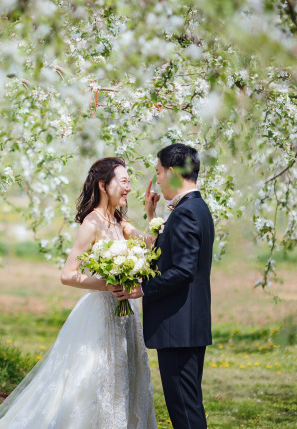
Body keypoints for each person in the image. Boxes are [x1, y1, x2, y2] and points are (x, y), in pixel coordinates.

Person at [0, 157, 156, 429]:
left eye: (129, 182)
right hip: (102, 313)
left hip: (126, 314)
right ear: (103, 185)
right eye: (123, 181)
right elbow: (67, 274)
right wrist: (106, 285)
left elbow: (154, 244)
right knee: (97, 378)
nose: (128, 188)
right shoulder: (91, 224)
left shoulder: (120, 221)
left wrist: (151, 214)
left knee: (126, 374)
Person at [111, 143, 213, 429]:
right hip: (188, 327)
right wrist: (152, 215)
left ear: (171, 172)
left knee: (185, 411)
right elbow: (171, 251)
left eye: (158, 172)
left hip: (178, 328)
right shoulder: (196, 208)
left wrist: (142, 289)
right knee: (188, 405)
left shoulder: (186, 212)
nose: (157, 180)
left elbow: (183, 270)